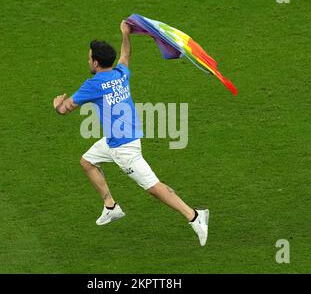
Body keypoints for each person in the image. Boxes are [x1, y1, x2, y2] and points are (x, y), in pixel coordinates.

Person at [52, 20, 209, 246]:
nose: (88, 60)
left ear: (96, 63)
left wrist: (57, 104)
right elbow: (125, 55)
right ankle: (111, 206)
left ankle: (194, 216)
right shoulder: (120, 73)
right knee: (87, 161)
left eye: (89, 58)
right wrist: (126, 34)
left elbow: (65, 110)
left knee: (153, 187)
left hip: (123, 148)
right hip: (116, 140)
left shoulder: (93, 84)